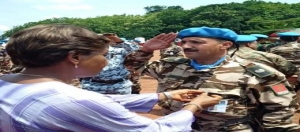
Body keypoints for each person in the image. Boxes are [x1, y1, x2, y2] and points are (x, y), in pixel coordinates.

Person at [0, 24, 223, 131]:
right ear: (75, 56)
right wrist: (192, 107)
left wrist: (162, 96)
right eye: (103, 55)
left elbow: (97, 103)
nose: (107, 62)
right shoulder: (74, 100)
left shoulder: (8, 82)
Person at [124, 26, 300, 131]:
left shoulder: (256, 73)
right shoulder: (171, 66)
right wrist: (145, 50)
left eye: (196, 42)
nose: (186, 46)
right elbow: (133, 67)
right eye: (184, 42)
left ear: (225, 45)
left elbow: (280, 109)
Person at [229, 35, 297, 78]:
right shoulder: (267, 56)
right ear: (248, 44)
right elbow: (289, 70)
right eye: (256, 43)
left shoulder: (222, 55)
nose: (257, 45)